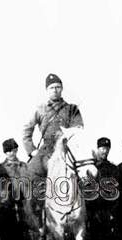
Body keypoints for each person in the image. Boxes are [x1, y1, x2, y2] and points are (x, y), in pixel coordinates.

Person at [22, 74, 83, 212]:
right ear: (47, 91)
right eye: (51, 88)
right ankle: (36, 216)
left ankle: (84, 215)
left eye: (57, 87)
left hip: (67, 151)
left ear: (62, 89)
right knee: (28, 176)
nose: (55, 90)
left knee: (85, 175)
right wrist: (32, 151)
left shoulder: (72, 109)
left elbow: (79, 129)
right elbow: (26, 130)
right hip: (46, 151)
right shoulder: (40, 109)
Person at [86, 137, 122, 240]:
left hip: (107, 211)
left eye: (107, 148)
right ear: (97, 149)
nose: (104, 151)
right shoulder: (90, 168)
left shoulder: (113, 169)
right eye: (102, 148)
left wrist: (113, 212)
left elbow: (118, 192)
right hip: (92, 211)